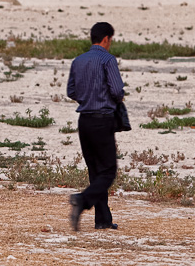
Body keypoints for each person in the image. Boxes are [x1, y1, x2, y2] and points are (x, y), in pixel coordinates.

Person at [66, 22, 125, 232]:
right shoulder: (107, 60)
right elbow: (117, 90)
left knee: (95, 171)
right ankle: (82, 200)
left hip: (84, 120)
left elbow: (71, 90)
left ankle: (103, 219)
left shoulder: (78, 61)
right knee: (108, 171)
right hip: (103, 119)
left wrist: (87, 97)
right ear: (106, 39)